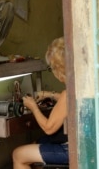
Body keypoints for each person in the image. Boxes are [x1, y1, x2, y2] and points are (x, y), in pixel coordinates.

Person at [12, 37, 68, 169]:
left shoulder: (67, 94)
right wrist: (50, 94)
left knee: (18, 155)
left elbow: (49, 128)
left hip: (69, 149)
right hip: (79, 142)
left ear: (58, 69)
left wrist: (33, 107)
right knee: (35, 143)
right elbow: (69, 101)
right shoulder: (79, 86)